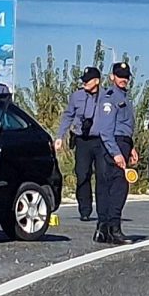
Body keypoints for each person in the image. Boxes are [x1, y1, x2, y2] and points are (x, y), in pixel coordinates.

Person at [93, 62, 139, 244]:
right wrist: (116, 153)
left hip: (122, 143)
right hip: (113, 145)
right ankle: (113, 228)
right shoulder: (110, 98)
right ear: (112, 76)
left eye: (126, 76)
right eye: (120, 75)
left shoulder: (123, 97)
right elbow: (106, 130)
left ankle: (103, 229)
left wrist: (131, 146)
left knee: (108, 187)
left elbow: (124, 126)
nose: (123, 79)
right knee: (117, 188)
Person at [54, 66, 103, 222]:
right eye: (83, 80)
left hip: (101, 140)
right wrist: (60, 136)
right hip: (82, 140)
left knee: (102, 176)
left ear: (96, 81)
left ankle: (103, 209)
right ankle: (85, 210)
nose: (84, 83)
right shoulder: (76, 96)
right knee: (82, 174)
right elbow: (68, 116)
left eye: (87, 81)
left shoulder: (106, 96)